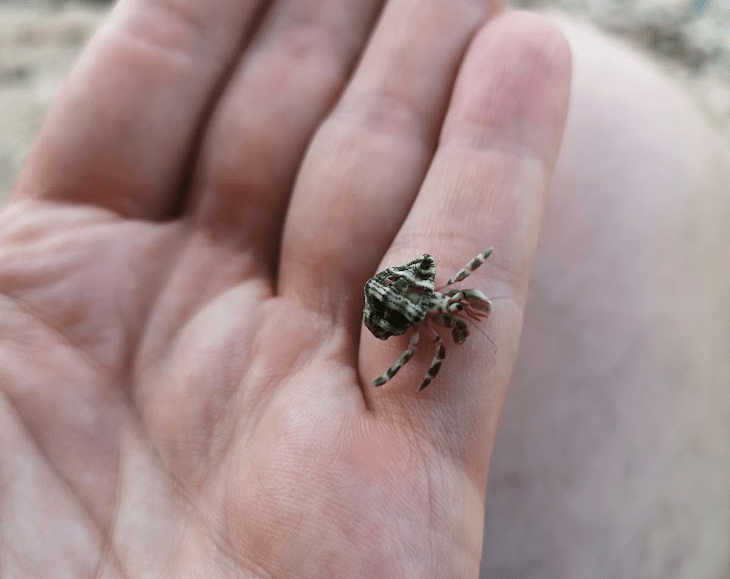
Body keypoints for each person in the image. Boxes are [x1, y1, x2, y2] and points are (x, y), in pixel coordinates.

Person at [0, 1, 727, 577]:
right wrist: (393, 367)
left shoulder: (436, 307)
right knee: (621, 123)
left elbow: (450, 294)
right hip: (398, 298)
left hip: (398, 296)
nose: (454, 317)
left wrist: (409, 342)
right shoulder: (432, 321)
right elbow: (439, 320)